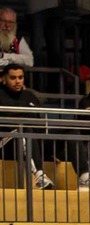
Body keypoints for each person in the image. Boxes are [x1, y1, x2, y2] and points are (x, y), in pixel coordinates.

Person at [0, 59, 55, 189]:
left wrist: (49, 152)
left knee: (70, 131)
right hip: (6, 142)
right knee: (24, 128)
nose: (17, 81)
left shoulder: (29, 95)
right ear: (4, 79)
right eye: (13, 78)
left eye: (20, 77)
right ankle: (39, 175)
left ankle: (85, 177)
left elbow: (38, 122)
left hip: (31, 137)